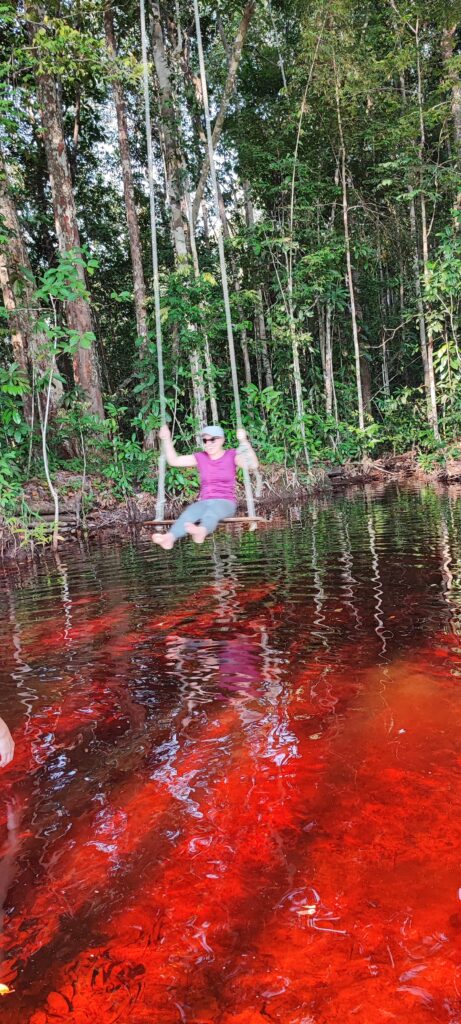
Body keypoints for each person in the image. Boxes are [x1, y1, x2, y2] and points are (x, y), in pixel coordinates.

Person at [152, 424, 258, 551]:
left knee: (212, 512)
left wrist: (244, 441)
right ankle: (169, 538)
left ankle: (201, 531)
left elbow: (253, 465)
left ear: (222, 440)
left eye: (213, 439)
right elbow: (174, 461)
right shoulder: (201, 457)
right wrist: (166, 439)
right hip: (205, 501)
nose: (209, 443)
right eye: (205, 440)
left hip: (225, 502)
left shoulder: (232, 455)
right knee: (189, 513)